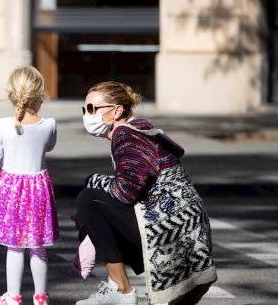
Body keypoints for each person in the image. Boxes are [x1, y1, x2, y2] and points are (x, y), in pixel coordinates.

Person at [74, 81, 217, 305]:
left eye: (92, 108)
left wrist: (92, 181)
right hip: (185, 233)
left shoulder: (125, 135)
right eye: (85, 109)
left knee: (89, 198)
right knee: (97, 205)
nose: (87, 115)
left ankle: (121, 291)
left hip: (171, 231)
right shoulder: (136, 131)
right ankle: (120, 290)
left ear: (117, 111)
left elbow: (126, 192)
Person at [0, 66, 59, 305]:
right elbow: (50, 147)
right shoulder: (50, 125)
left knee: (14, 246)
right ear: (41, 95)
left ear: (12, 94)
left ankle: (13, 297)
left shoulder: (2, 125)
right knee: (37, 244)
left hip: (10, 190)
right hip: (38, 189)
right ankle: (41, 297)